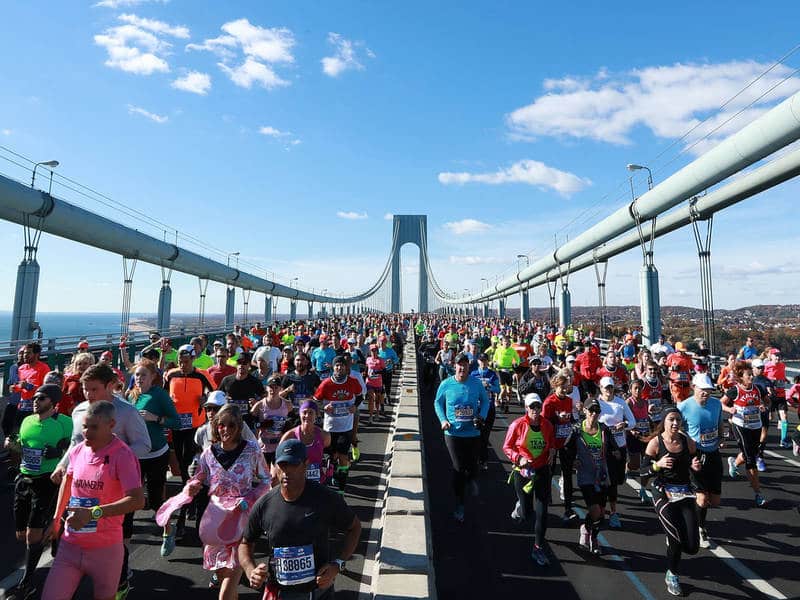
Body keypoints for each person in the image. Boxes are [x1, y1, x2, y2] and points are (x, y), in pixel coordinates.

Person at [52, 363, 150, 598]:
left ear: (110, 386)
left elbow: (144, 445)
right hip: (83, 486)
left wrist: (113, 461)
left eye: (94, 389)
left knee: (118, 538)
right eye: (85, 389)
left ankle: (119, 578)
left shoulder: (126, 412)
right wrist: (62, 465)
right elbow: (76, 445)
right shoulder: (80, 411)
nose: (88, 395)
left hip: (117, 487)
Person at [239, 439, 361, 599]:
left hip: (318, 591)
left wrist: (337, 564)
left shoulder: (325, 498)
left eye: (293, 464)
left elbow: (354, 527)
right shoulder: (265, 504)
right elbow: (245, 543)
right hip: (280, 592)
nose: (287, 471)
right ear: (275, 467)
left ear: (305, 464)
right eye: (282, 465)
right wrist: (250, 570)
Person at [180, 404, 270, 600]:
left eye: (231, 425)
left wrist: (249, 499)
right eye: (222, 425)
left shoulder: (251, 450)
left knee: (225, 592)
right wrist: (193, 484)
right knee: (223, 577)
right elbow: (199, 477)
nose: (226, 430)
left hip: (241, 521)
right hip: (215, 522)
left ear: (239, 428)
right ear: (215, 426)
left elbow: (266, 480)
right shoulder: (208, 454)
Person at [4, 384, 73, 600]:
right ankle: (56, 532)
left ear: (53, 403)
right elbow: (22, 446)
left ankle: (27, 584)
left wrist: (60, 450)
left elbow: (78, 448)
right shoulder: (27, 421)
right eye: (35, 398)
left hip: (47, 481)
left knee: (33, 536)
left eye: (41, 398)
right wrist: (12, 447)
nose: (36, 401)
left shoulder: (65, 423)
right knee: (21, 534)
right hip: (24, 480)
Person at [641, 407, 702, 596]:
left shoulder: (687, 441)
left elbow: (696, 459)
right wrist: (656, 466)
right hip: (663, 493)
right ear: (664, 422)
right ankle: (672, 575)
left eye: (678, 420)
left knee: (692, 547)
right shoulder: (655, 443)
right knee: (676, 539)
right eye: (671, 420)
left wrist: (695, 465)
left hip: (684, 493)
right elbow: (642, 472)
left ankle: (673, 544)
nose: (675, 423)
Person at [127, 359, 181, 556]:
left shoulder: (160, 395)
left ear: (153, 377)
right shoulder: (130, 395)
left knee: (156, 499)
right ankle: (123, 541)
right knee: (130, 498)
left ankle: (168, 530)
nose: (139, 378)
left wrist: (155, 418)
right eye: (137, 375)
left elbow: (176, 422)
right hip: (134, 455)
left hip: (156, 454)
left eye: (143, 375)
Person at [433, 352, 490, 523]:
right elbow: (437, 402)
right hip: (453, 433)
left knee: (472, 465)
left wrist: (482, 416)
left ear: (468, 367)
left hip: (472, 432)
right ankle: (459, 504)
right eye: (459, 365)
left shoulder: (476, 383)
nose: (462, 368)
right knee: (458, 468)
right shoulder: (446, 384)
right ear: (454, 366)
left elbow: (485, 401)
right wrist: (443, 420)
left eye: (465, 365)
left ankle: (472, 478)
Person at [503, 393, 555, 566]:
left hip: (541, 472)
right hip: (523, 473)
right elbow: (507, 447)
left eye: (538, 406)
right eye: (532, 407)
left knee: (542, 513)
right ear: (526, 408)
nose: (535, 410)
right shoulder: (517, 425)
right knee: (527, 514)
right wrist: (519, 459)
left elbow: (551, 442)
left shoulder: (547, 425)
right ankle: (520, 508)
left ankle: (538, 548)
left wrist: (552, 451)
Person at [564, 399, 620, 556]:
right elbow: (566, 448)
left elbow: (614, 446)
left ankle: (593, 537)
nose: (594, 413)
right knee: (595, 510)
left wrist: (615, 453)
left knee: (601, 512)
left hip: (602, 475)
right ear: (584, 411)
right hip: (586, 475)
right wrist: (573, 460)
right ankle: (585, 530)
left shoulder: (603, 429)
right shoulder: (577, 430)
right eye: (591, 410)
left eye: (597, 410)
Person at [678, 374, 723, 548]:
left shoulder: (716, 404)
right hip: (695, 454)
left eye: (708, 390)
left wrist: (720, 437)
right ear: (693, 387)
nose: (705, 393)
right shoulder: (684, 406)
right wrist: (686, 450)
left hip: (713, 454)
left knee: (715, 500)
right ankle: (700, 528)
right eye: (702, 390)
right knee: (703, 499)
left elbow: (719, 424)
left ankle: (692, 508)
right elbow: (675, 427)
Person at [313, 356, 362, 494]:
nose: (339, 368)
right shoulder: (326, 384)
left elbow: (360, 396)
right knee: (332, 456)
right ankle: (334, 472)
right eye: (337, 366)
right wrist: (324, 408)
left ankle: (341, 487)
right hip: (330, 427)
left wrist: (355, 407)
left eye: (342, 365)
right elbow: (315, 401)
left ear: (346, 368)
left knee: (343, 456)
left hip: (346, 427)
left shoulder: (352, 382)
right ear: (333, 368)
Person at [723, 363, 767, 506]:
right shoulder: (734, 390)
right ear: (741, 377)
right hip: (740, 426)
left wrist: (764, 406)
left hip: (756, 425)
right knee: (750, 458)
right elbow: (721, 403)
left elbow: (767, 402)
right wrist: (730, 410)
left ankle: (734, 462)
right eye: (749, 375)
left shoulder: (758, 389)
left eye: (752, 374)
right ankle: (758, 494)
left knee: (752, 452)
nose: (752, 377)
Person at [597, 376, 636, 529]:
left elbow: (633, 421)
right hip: (602, 448)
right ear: (600, 388)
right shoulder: (597, 404)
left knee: (616, 481)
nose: (608, 390)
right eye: (605, 388)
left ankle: (611, 511)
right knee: (605, 482)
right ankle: (607, 512)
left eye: (610, 388)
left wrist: (624, 424)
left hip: (619, 446)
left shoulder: (620, 403)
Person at [542, 373, 579, 523]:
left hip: (566, 441)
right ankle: (547, 496)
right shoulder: (549, 402)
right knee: (549, 471)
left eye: (567, 386)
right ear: (555, 385)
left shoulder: (570, 401)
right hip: (552, 442)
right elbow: (544, 424)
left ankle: (568, 508)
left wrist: (573, 423)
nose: (565, 389)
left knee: (568, 474)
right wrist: (558, 419)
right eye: (562, 386)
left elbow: (572, 420)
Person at [280, 400, 331, 485]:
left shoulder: (324, 436)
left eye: (311, 412)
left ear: (316, 415)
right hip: (296, 483)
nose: (307, 416)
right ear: (300, 414)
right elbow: (280, 460)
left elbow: (328, 451)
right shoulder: (289, 436)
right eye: (304, 412)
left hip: (317, 482)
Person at [251, 374, 293, 465]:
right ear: (266, 388)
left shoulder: (287, 404)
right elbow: (250, 424)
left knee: (276, 477)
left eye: (276, 387)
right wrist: (261, 425)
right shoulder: (259, 405)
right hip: (264, 446)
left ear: (280, 388)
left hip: (280, 445)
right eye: (270, 387)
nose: (273, 390)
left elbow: (293, 420)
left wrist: (287, 426)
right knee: (263, 477)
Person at [470, 353, 500, 470]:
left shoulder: (492, 374)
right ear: (478, 361)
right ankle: (474, 458)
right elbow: (469, 388)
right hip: (475, 408)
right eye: (481, 360)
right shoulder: (473, 374)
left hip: (489, 408)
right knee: (475, 435)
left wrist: (489, 386)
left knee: (485, 436)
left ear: (488, 361)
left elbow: (498, 389)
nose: (483, 362)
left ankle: (483, 460)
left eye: (485, 360)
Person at [60, 352, 95, 416]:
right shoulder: (70, 380)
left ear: (91, 364)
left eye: (85, 363)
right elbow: (63, 397)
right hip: (71, 413)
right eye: (79, 364)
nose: (82, 366)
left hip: (89, 411)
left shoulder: (95, 380)